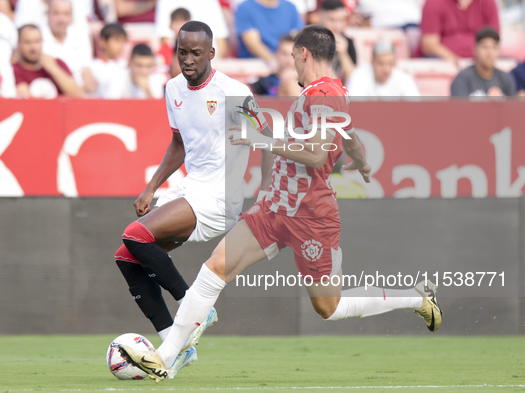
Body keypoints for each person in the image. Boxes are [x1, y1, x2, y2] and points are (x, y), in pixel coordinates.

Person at [118, 25, 442, 382]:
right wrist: (360, 160)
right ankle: (165, 357)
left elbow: (318, 155)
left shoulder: (326, 93)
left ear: (304, 54)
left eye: (292, 57)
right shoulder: (325, 92)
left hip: (312, 216)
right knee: (215, 268)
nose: (291, 65)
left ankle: (414, 297)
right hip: (275, 208)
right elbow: (347, 135)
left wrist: (259, 140)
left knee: (328, 308)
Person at [113, 20, 269, 378]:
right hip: (191, 187)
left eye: (196, 53)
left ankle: (193, 306)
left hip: (221, 195)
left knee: (136, 234)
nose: (187, 59)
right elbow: (179, 144)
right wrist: (152, 187)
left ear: (211, 53)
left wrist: (265, 193)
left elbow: (266, 138)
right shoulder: (172, 89)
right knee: (126, 256)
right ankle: (177, 343)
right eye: (182, 52)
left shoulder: (233, 91)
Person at [12, 24, 83, 98]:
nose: (33, 47)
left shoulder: (57, 63)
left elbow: (78, 95)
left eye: (37, 41)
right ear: (18, 44)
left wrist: (54, 69)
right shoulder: (13, 69)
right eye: (27, 42)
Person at [40, 0, 95, 92]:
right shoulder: (37, 36)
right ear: (47, 14)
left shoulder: (80, 36)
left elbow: (87, 74)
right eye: (56, 13)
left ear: (72, 17)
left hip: (78, 96)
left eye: (66, 14)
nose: (61, 19)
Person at [421, 0, 499, 63]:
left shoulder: (488, 2)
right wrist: (455, 61)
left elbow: (494, 40)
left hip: (480, 62)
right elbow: (429, 46)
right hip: (444, 61)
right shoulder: (434, 2)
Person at [451, 28, 516, 97]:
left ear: (499, 51)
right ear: (475, 49)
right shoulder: (462, 79)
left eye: (494, 48)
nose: (489, 53)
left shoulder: (506, 78)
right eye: (485, 47)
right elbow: (459, 107)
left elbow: (512, 106)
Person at [155, 0, 229, 58]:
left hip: (210, 63)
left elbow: (221, 41)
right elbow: (165, 41)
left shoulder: (210, 2)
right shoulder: (166, 1)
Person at [235, 0, 304, 60]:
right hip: (258, 65)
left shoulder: (290, 7)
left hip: (288, 63)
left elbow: (297, 39)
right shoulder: (245, 8)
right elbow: (253, 45)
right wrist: (276, 63)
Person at [346, 40, 420, 97]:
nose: (386, 69)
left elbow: (417, 109)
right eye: (381, 64)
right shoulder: (358, 76)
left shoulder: (404, 79)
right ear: (372, 61)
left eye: (390, 64)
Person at [318, 0, 356, 83]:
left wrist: (343, 54)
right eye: (332, 20)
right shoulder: (311, 40)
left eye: (340, 20)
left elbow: (353, 81)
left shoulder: (348, 42)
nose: (336, 25)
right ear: (321, 18)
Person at [89, 23, 129, 99]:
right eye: (117, 41)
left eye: (123, 42)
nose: (121, 46)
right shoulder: (94, 66)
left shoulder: (124, 65)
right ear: (103, 42)